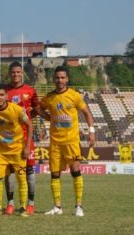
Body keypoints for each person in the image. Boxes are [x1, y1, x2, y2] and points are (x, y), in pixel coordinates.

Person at [40, 66, 95, 217]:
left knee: (75, 171)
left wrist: (91, 132)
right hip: (55, 142)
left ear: (67, 79)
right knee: (54, 174)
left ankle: (79, 206)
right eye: (57, 78)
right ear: (53, 79)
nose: (60, 80)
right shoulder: (49, 97)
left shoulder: (74, 96)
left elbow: (87, 113)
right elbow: (39, 108)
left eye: (62, 77)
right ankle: (57, 206)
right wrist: (49, 118)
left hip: (71, 141)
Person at [0, 84, 33, 217]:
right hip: (0, 151)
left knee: (21, 179)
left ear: (6, 96)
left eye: (1, 95)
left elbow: (29, 125)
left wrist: (27, 146)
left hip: (18, 151)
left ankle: (22, 207)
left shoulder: (16, 109)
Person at [5, 61, 40, 215]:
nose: (16, 75)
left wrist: (28, 117)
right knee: (10, 170)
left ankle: (30, 204)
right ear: (9, 73)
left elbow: (37, 108)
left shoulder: (30, 91)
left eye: (18, 72)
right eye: (13, 72)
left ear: (22, 73)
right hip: (10, 138)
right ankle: (10, 203)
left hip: (26, 138)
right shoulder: (3, 91)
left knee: (29, 170)